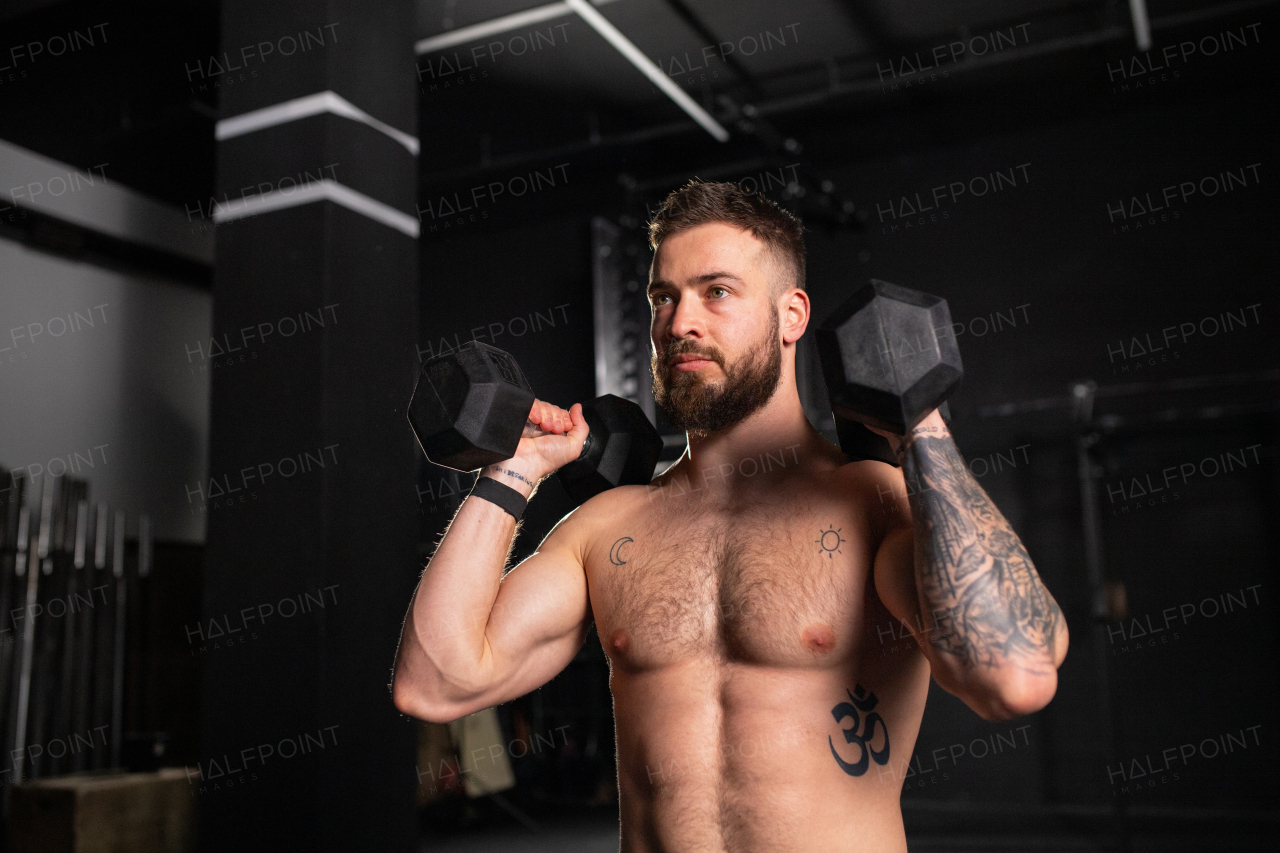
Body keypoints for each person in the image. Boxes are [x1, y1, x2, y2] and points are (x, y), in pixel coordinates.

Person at [392, 180, 1068, 852]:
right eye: (665, 296)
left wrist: (920, 422)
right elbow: (437, 682)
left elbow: (1014, 675)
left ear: (792, 315)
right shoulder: (611, 528)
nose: (681, 321)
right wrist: (516, 471)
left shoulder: (872, 503)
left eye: (716, 292)